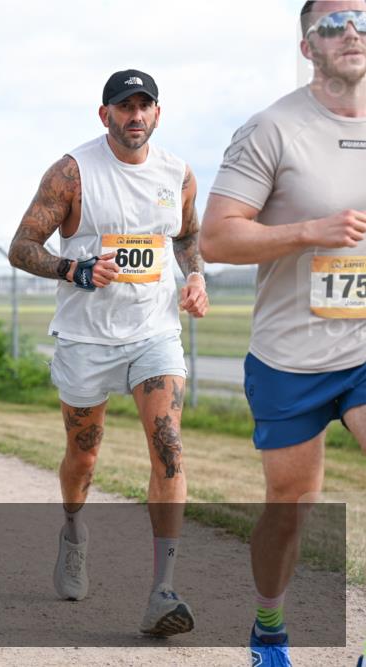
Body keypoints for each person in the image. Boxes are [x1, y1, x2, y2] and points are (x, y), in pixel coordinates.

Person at [7, 69, 209, 637]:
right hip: (86, 339)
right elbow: (22, 246)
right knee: (83, 457)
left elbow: (187, 238)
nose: (135, 116)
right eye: (124, 106)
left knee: (168, 446)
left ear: (157, 115)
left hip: (154, 334)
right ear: (106, 116)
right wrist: (73, 267)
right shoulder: (73, 172)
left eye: (145, 106)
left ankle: (162, 591)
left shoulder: (180, 174)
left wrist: (195, 278)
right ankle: (73, 530)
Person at [199, 2, 366, 664]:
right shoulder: (272, 128)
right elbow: (216, 236)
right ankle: (269, 625)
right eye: (332, 24)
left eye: (361, 18)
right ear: (307, 48)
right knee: (292, 507)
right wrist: (308, 231)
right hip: (290, 353)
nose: (351, 31)